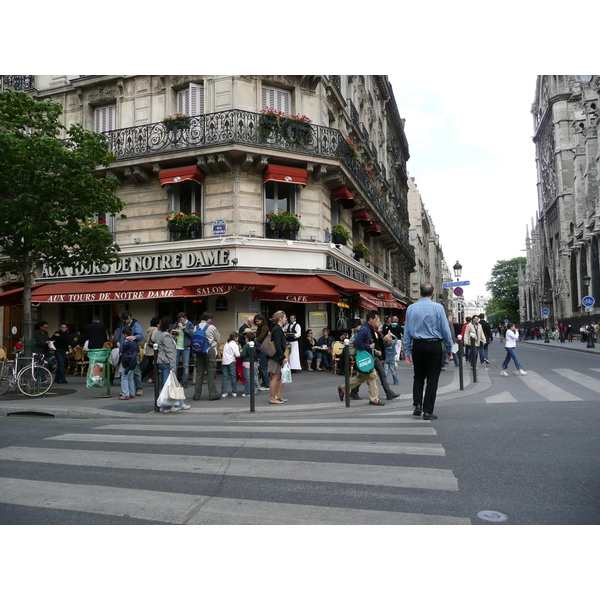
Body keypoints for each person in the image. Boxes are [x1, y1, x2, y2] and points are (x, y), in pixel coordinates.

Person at [404, 282, 454, 420]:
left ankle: (417, 405)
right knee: (433, 379)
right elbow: (445, 330)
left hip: (418, 345)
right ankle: (428, 411)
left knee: (418, 376)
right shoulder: (438, 308)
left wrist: (407, 350)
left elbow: (407, 330)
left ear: (420, 293)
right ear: (432, 294)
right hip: (434, 345)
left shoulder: (411, 308)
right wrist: (449, 348)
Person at [338, 311, 383, 406]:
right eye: (376, 319)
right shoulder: (365, 330)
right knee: (372, 376)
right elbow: (357, 343)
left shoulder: (368, 329)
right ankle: (374, 399)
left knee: (361, 378)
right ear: (370, 319)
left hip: (364, 356)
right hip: (364, 357)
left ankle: (343, 389)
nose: (377, 321)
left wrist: (374, 350)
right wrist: (369, 347)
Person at [155, 316, 190, 413]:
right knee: (170, 385)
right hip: (167, 362)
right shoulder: (166, 335)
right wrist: (172, 364)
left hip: (160, 361)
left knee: (168, 384)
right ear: (169, 326)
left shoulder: (158, 334)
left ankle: (180, 403)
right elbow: (169, 351)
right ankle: (167, 406)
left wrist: (171, 337)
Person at [192, 312, 221, 401]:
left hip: (198, 351)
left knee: (199, 373)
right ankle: (212, 395)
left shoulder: (195, 327)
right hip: (209, 350)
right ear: (209, 319)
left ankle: (196, 395)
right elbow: (218, 338)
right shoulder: (211, 327)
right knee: (210, 372)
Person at [117, 311, 144, 396]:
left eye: (128, 319)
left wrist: (135, 337)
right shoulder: (123, 325)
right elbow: (121, 338)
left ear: (130, 317)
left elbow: (141, 335)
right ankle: (128, 390)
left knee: (135, 371)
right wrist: (120, 350)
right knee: (128, 372)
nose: (127, 321)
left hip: (132, 351)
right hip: (126, 351)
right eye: (125, 320)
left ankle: (139, 388)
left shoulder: (136, 325)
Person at [268, 310, 289, 404]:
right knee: (276, 376)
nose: (286, 319)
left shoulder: (278, 328)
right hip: (276, 356)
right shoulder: (277, 329)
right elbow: (277, 344)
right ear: (280, 319)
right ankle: (272, 397)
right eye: (285, 317)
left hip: (278, 356)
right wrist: (283, 356)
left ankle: (278, 395)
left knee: (281, 376)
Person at [171, 312, 193, 388]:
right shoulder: (176, 324)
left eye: (182, 320)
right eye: (179, 320)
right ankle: (174, 382)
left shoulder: (190, 324)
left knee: (185, 366)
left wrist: (183, 328)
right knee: (175, 365)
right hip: (177, 347)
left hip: (186, 347)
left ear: (185, 318)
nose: (180, 321)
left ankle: (184, 381)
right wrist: (173, 334)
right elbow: (172, 335)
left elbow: (191, 334)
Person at [119, 327, 139, 400]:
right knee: (130, 377)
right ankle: (132, 393)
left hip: (126, 361)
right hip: (133, 361)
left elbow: (123, 349)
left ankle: (125, 394)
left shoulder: (126, 342)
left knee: (124, 377)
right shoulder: (135, 342)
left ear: (124, 334)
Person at [254, 314, 271, 391]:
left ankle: (266, 384)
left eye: (258, 321)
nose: (257, 323)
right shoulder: (263, 327)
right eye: (256, 321)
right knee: (264, 367)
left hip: (263, 348)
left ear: (261, 320)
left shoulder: (264, 327)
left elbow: (261, 337)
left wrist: (254, 340)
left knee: (264, 367)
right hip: (263, 348)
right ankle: (265, 383)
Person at [240, 331, 260, 397]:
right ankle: (254, 389)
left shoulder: (245, 346)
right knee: (253, 376)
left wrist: (240, 352)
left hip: (246, 362)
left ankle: (247, 392)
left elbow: (243, 355)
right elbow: (254, 354)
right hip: (252, 362)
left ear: (247, 338)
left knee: (247, 378)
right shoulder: (253, 346)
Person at [141, 317, 160, 383]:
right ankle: (153, 378)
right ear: (157, 324)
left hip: (149, 350)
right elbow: (153, 339)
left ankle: (143, 376)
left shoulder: (149, 330)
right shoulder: (155, 330)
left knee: (150, 365)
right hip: (153, 350)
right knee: (153, 365)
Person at [221, 332, 240, 397]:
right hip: (231, 361)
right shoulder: (234, 345)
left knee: (224, 377)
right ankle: (234, 392)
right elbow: (237, 355)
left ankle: (224, 392)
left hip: (224, 361)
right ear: (235, 338)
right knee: (233, 377)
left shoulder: (226, 343)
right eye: (237, 337)